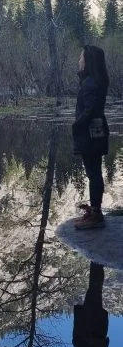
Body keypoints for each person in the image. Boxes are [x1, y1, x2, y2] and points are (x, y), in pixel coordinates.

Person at [73, 44, 109, 230]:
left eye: (81, 57)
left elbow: (89, 111)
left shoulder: (90, 84)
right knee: (95, 173)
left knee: (93, 174)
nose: (79, 60)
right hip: (97, 133)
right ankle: (95, 210)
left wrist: (77, 125)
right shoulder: (96, 81)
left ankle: (95, 215)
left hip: (90, 134)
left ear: (88, 61)